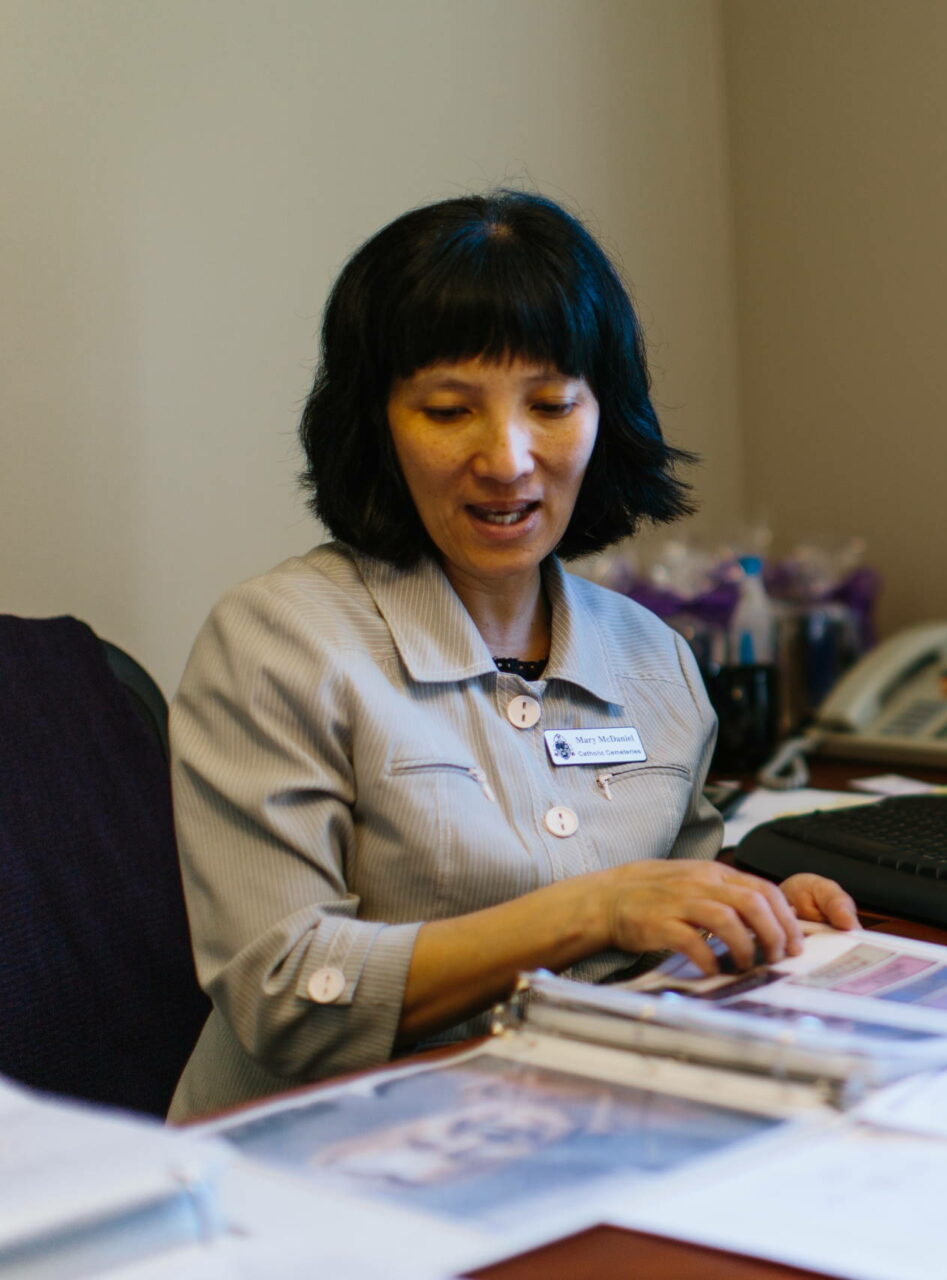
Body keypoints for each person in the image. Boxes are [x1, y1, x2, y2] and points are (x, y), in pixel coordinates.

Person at [168, 191, 857, 1120]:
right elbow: (286, 991)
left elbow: (663, 900)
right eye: (450, 410)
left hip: (585, 1123)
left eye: (550, 404)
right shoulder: (279, 644)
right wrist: (595, 910)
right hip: (332, 1160)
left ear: (602, 413)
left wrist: (750, 909)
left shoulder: (653, 656)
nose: (509, 459)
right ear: (379, 425)